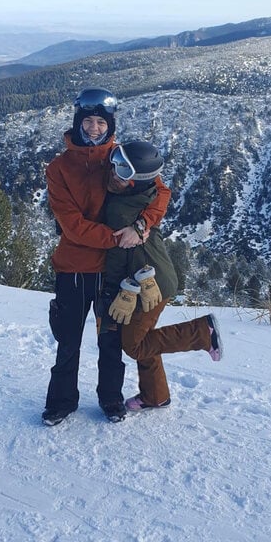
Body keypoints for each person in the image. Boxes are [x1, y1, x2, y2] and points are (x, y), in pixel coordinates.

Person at [43, 88, 171, 426]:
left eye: (102, 121)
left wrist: (142, 225)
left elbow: (161, 191)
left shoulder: (121, 157)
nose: (95, 127)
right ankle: (61, 402)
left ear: (110, 124)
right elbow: (72, 226)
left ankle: (111, 399)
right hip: (74, 267)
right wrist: (122, 239)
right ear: (78, 121)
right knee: (68, 341)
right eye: (89, 120)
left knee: (111, 341)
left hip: (113, 272)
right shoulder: (59, 168)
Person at [99, 140, 222, 412]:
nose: (113, 172)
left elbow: (118, 254)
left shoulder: (119, 209)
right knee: (145, 336)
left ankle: (202, 332)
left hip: (147, 286)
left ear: (136, 182)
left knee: (134, 344)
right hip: (153, 277)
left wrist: (116, 289)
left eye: (123, 172)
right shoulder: (144, 195)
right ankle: (155, 396)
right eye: (115, 162)